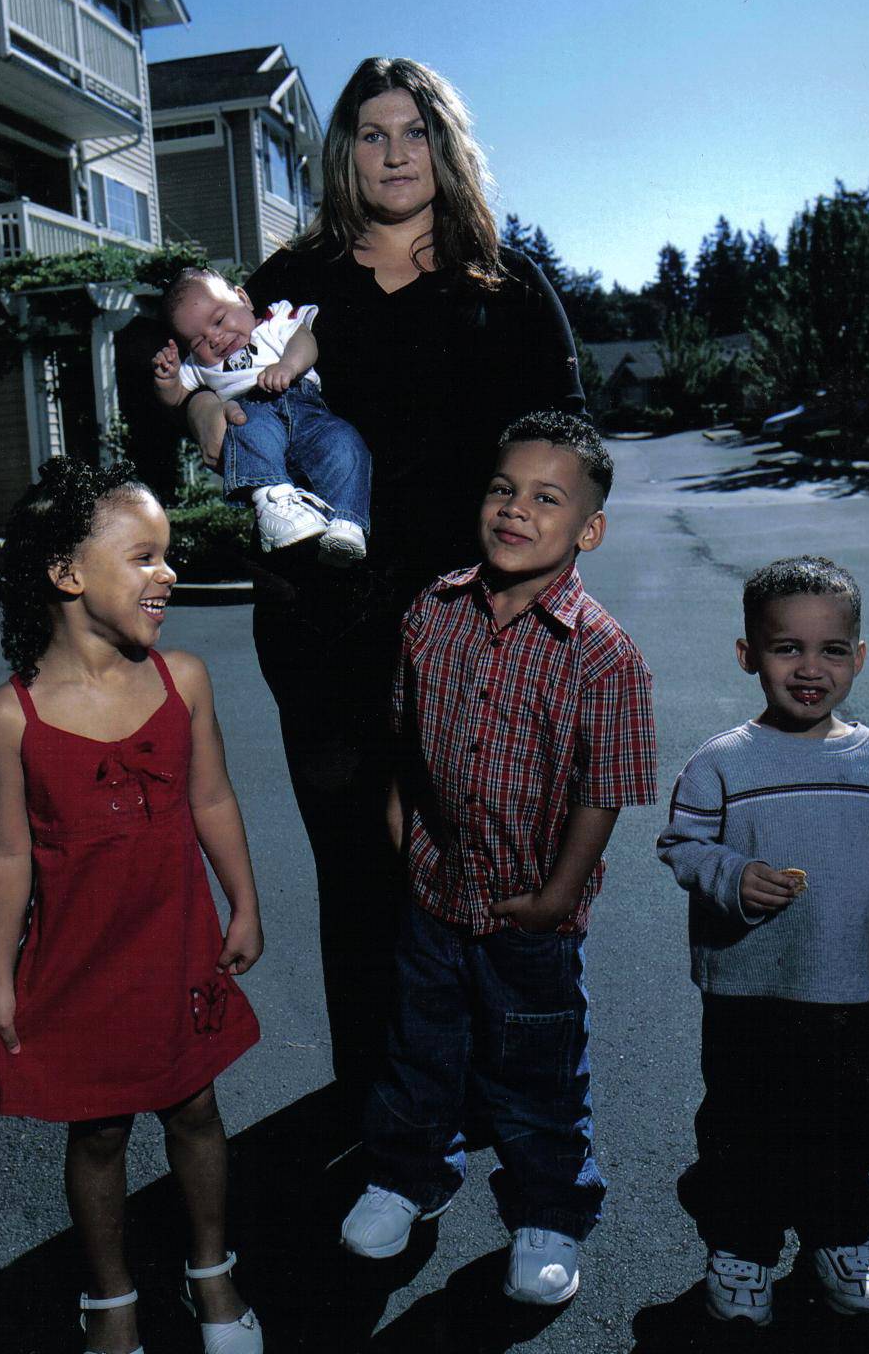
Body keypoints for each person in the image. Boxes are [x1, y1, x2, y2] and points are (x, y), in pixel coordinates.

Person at [184, 57, 585, 1123]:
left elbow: (568, 439)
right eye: (372, 133)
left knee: (477, 851)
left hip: (474, 622)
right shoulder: (295, 276)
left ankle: (487, 1088)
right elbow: (190, 359)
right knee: (359, 862)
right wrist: (202, 411)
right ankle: (379, 1100)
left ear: (444, 146)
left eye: (414, 131)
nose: (395, 153)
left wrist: (535, 581)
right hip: (325, 622)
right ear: (344, 153)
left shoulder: (504, 280)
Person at [340, 411, 656, 1307]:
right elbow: (401, 737)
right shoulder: (432, 611)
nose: (516, 509)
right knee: (419, 1050)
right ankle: (408, 1175)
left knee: (536, 1072)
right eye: (502, 489)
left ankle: (549, 1211)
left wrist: (558, 895)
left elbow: (605, 789)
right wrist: (401, 828)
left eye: (547, 499)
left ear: (588, 530)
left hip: (530, 909)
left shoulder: (602, 653)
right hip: (435, 889)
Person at [0, 457, 264, 1354]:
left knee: (195, 1107)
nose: (166, 573)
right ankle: (111, 1300)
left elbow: (212, 798)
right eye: (143, 557)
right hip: (79, 963)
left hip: (176, 947)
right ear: (67, 575)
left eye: (166, 555)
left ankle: (211, 1273)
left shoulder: (183, 679)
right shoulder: (9, 718)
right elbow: (6, 854)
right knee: (96, 1133)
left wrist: (243, 902)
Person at [657, 556, 869, 1328]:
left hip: (844, 990)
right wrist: (732, 877)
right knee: (741, 1128)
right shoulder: (721, 761)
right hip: (745, 988)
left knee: (847, 1128)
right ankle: (741, 1250)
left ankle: (838, 1241)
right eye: (786, 647)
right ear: (747, 654)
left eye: (831, 650)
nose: (809, 668)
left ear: (859, 657)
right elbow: (682, 846)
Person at [152, 266, 371, 563]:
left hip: (307, 410)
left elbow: (304, 340)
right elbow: (178, 397)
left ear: (243, 298)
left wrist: (289, 366)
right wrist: (167, 381)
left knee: (344, 440)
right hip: (252, 409)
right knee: (249, 428)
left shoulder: (274, 322)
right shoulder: (199, 366)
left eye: (219, 320)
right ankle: (273, 504)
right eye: (198, 341)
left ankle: (346, 523)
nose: (215, 338)